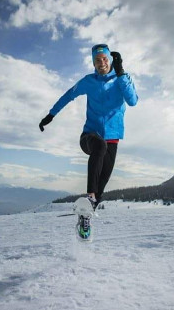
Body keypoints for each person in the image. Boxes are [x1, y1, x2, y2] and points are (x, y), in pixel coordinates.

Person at [39, 44, 138, 239]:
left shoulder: (122, 80)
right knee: (99, 147)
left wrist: (121, 74)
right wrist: (50, 115)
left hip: (113, 138)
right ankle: (90, 196)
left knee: (104, 180)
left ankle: (86, 216)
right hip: (89, 137)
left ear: (110, 60)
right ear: (93, 63)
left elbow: (133, 101)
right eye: (97, 60)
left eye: (104, 59)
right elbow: (68, 95)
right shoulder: (89, 81)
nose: (101, 63)